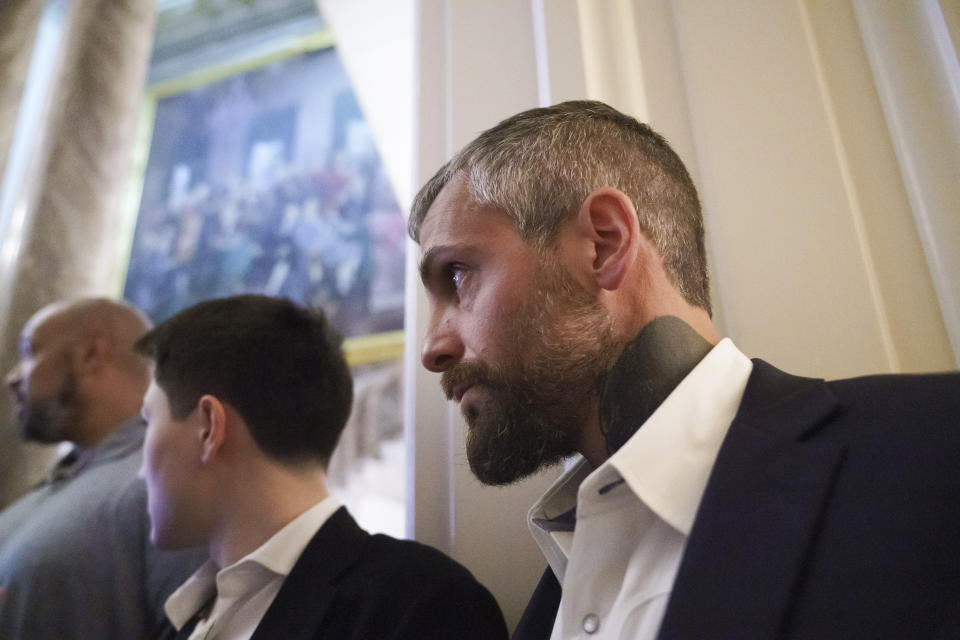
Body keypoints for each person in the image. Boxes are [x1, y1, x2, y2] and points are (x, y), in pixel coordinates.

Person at [409, 100, 960, 639]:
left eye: (456, 276)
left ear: (603, 244)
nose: (432, 349)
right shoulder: (556, 592)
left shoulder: (937, 451)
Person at [135, 294, 508, 640]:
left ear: (208, 428)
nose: (139, 471)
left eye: (149, 420)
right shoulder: (188, 616)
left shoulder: (423, 607)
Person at [0, 298, 205, 639]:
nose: (12, 378)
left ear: (90, 356)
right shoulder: (70, 479)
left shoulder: (166, 482)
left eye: (30, 352)